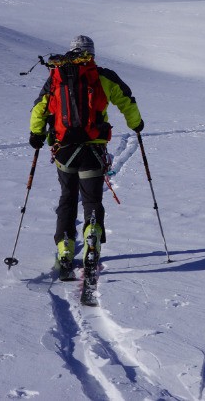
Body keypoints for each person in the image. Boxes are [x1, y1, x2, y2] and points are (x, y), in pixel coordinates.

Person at [28, 35, 144, 276]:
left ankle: (65, 248)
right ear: (91, 54)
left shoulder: (56, 77)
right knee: (92, 199)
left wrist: (36, 134)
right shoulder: (103, 76)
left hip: (64, 149)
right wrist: (137, 124)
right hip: (93, 149)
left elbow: (40, 107)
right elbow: (127, 100)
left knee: (67, 198)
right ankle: (93, 235)